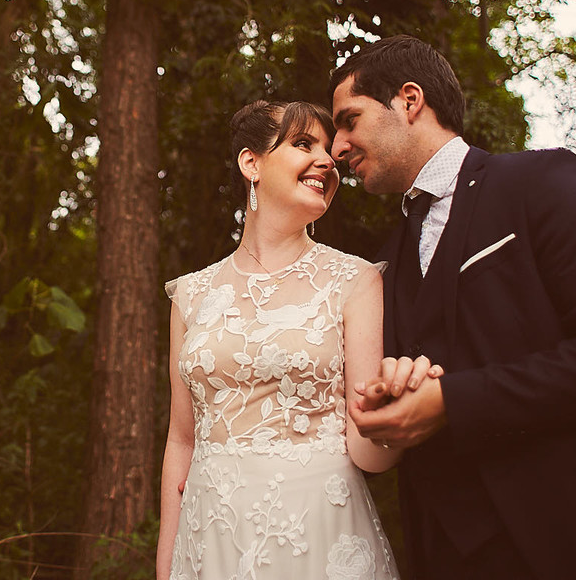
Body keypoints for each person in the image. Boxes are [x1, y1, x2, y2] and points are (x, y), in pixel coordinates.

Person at [329, 34, 576, 579]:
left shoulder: (539, 181)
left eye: (349, 120)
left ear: (408, 100)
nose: (336, 146)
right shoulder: (383, 267)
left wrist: (454, 401)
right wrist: (391, 396)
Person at [156, 100, 441, 580]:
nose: (328, 161)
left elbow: (369, 454)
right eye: (303, 143)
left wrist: (395, 411)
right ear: (252, 163)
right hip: (210, 543)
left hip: (318, 538)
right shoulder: (190, 295)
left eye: (329, 150)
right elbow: (181, 440)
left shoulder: (356, 281)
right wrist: (167, 562)